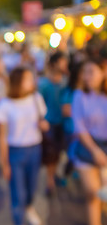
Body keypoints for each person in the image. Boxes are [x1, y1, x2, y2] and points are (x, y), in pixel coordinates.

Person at [0, 68, 49, 225]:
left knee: (32, 187)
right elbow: (2, 137)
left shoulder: (36, 98)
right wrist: (4, 163)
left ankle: (29, 207)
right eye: (28, 79)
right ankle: (19, 223)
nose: (32, 82)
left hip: (34, 149)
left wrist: (43, 125)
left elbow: (43, 121)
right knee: (18, 192)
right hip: (15, 151)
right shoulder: (5, 105)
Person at [72, 61, 107, 225]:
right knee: (92, 193)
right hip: (87, 147)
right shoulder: (79, 95)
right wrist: (95, 151)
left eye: (91, 72)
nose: (87, 77)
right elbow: (80, 127)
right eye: (84, 72)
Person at [38, 51, 68, 195]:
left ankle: (54, 175)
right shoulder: (43, 84)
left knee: (59, 152)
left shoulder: (66, 82)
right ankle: (50, 181)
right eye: (62, 62)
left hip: (62, 123)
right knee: (51, 153)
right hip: (49, 124)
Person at [61, 62, 83, 176]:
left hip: (83, 132)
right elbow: (65, 110)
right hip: (72, 129)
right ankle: (67, 174)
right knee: (71, 155)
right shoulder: (70, 91)